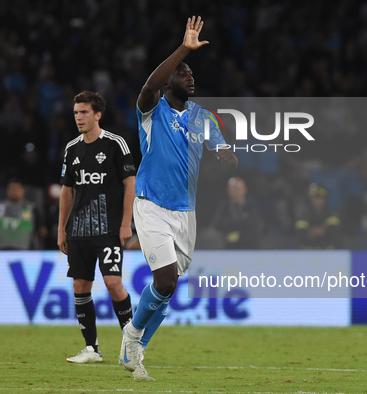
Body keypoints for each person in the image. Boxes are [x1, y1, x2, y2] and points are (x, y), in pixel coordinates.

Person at [119, 16, 238, 381]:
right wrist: (183, 50)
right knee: (166, 281)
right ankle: (132, 335)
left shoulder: (205, 117)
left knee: (167, 292)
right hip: (151, 205)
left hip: (186, 213)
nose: (190, 77)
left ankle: (137, 352)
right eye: (183, 73)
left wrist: (227, 158)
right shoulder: (153, 111)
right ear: (170, 80)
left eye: (190, 73)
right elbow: (149, 85)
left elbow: (224, 153)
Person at [58, 91, 137, 364]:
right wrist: (62, 230)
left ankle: (132, 344)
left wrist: (127, 223)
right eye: (76, 112)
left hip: (109, 228)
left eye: (84, 112)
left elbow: (130, 183)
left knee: (114, 283)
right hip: (79, 230)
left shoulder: (116, 144)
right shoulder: (71, 148)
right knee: (80, 286)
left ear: (98, 115)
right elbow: (66, 191)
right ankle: (92, 349)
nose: (79, 117)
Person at [0, 179, 47, 250]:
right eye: (11, 188)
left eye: (17, 188)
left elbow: (41, 231)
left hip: (24, 251)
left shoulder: (32, 209)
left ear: (23, 190)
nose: (13, 191)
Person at [212, 177, 261, 249]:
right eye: (232, 189)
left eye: (238, 189)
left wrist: (230, 226)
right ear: (228, 191)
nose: (235, 192)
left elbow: (252, 226)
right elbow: (218, 225)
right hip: (228, 247)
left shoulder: (251, 206)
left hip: (249, 247)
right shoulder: (223, 207)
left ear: (244, 190)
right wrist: (242, 222)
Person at [295, 184, 341, 249]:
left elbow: (334, 236)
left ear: (325, 199)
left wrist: (323, 231)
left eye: (320, 198)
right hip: (307, 255)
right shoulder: (303, 216)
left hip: (328, 254)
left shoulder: (332, 215)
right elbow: (301, 236)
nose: (317, 201)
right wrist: (312, 233)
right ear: (310, 199)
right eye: (315, 198)